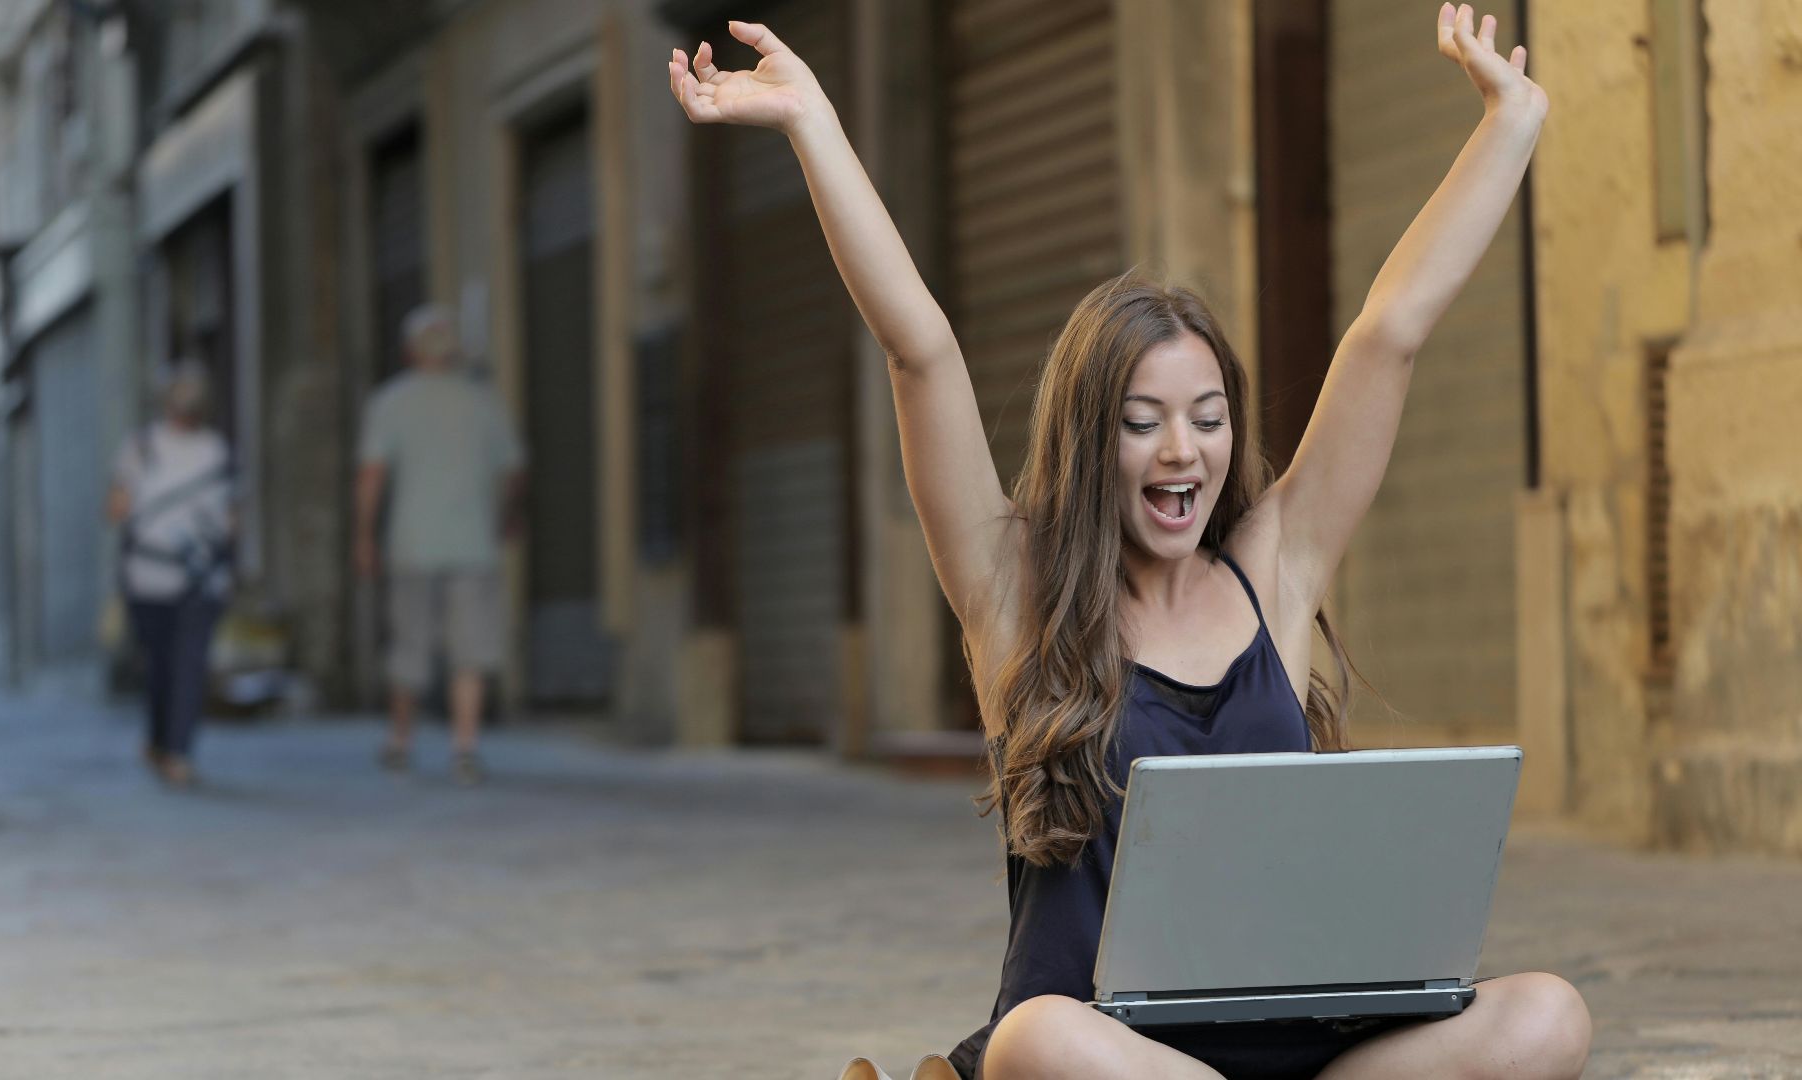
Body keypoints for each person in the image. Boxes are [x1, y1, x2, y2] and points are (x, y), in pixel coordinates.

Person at [668, 5, 1592, 1079]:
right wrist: (811, 122)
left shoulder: (1273, 575)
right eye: (1142, 422)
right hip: (1111, 1063)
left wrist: (1511, 123)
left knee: (1549, 1016)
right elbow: (919, 350)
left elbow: (1389, 334)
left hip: (1304, 1052)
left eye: (1207, 417)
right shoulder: (1016, 594)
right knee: (1036, 1043)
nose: (1181, 454)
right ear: (1088, 438)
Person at [355, 304, 525, 787]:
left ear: (409, 352)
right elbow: (513, 474)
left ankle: (400, 741)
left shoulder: (390, 402)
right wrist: (508, 518)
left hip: (411, 543)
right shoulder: (484, 401)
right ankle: (464, 747)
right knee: (470, 649)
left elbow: (371, 476)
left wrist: (364, 537)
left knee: (409, 643)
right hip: (473, 542)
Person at [108, 360, 235, 789]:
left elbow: (117, 510)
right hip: (201, 575)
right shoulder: (217, 449)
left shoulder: (140, 445)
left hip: (147, 574)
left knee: (160, 663)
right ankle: (173, 750)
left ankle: (165, 745)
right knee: (188, 664)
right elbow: (232, 519)